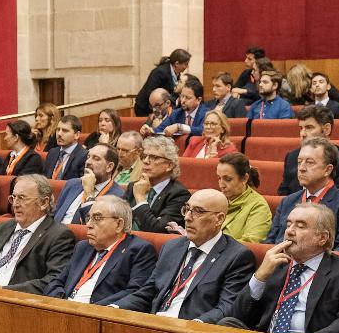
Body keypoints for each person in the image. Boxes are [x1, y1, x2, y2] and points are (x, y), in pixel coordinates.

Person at [221, 202, 339, 333]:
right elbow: (238, 316)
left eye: (300, 226)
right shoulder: (275, 266)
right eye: (288, 224)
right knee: (226, 324)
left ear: (322, 238)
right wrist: (259, 277)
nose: (289, 231)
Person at [113, 189, 255, 322]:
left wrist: (192, 326)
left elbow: (226, 308)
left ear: (219, 219)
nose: (187, 217)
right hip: (156, 324)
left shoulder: (237, 257)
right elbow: (148, 292)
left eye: (198, 211)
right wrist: (114, 309)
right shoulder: (172, 247)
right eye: (187, 209)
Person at [44, 195, 157, 305]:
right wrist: (60, 302)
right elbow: (57, 281)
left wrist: (93, 311)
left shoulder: (138, 250)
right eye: (89, 218)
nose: (88, 224)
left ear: (119, 224)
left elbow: (134, 293)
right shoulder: (83, 247)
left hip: (99, 315)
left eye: (97, 218)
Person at [0, 174, 76, 292]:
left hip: (13, 300)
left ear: (44, 203)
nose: (15, 204)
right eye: (13, 197)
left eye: (22, 198)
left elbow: (52, 280)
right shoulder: (6, 226)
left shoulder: (59, 236)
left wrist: (3, 290)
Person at [265, 137, 339, 253]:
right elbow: (270, 243)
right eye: (299, 162)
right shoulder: (287, 201)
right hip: (282, 267)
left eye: (309, 162)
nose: (301, 168)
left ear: (328, 170)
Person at [278, 105, 339, 197]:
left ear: (326, 129)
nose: (302, 134)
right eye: (301, 128)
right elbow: (283, 194)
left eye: (309, 127)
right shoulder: (292, 157)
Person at [127, 136, 192, 232]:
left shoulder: (179, 194)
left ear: (169, 166)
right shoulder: (133, 186)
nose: (145, 161)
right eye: (145, 156)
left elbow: (157, 229)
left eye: (154, 157)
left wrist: (140, 199)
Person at [51, 144, 125, 224]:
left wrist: (89, 194)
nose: (88, 162)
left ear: (109, 167)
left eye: (96, 159)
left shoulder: (118, 196)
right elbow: (55, 215)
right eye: (88, 157)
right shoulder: (72, 184)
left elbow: (94, 226)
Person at [217, 153, 272, 242]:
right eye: (219, 178)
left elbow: (251, 242)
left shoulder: (258, 206)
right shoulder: (216, 200)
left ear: (244, 178)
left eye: (228, 179)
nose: (221, 185)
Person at [134, 48, 191, 117]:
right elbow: (150, 93)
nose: (187, 67)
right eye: (185, 64)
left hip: (159, 108)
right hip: (145, 109)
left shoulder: (177, 73)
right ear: (177, 64)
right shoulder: (160, 72)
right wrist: (176, 92)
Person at [43, 115, 88, 181]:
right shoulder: (52, 152)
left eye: (65, 130)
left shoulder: (84, 156)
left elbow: (81, 185)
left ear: (77, 135)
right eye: (58, 130)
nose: (59, 134)